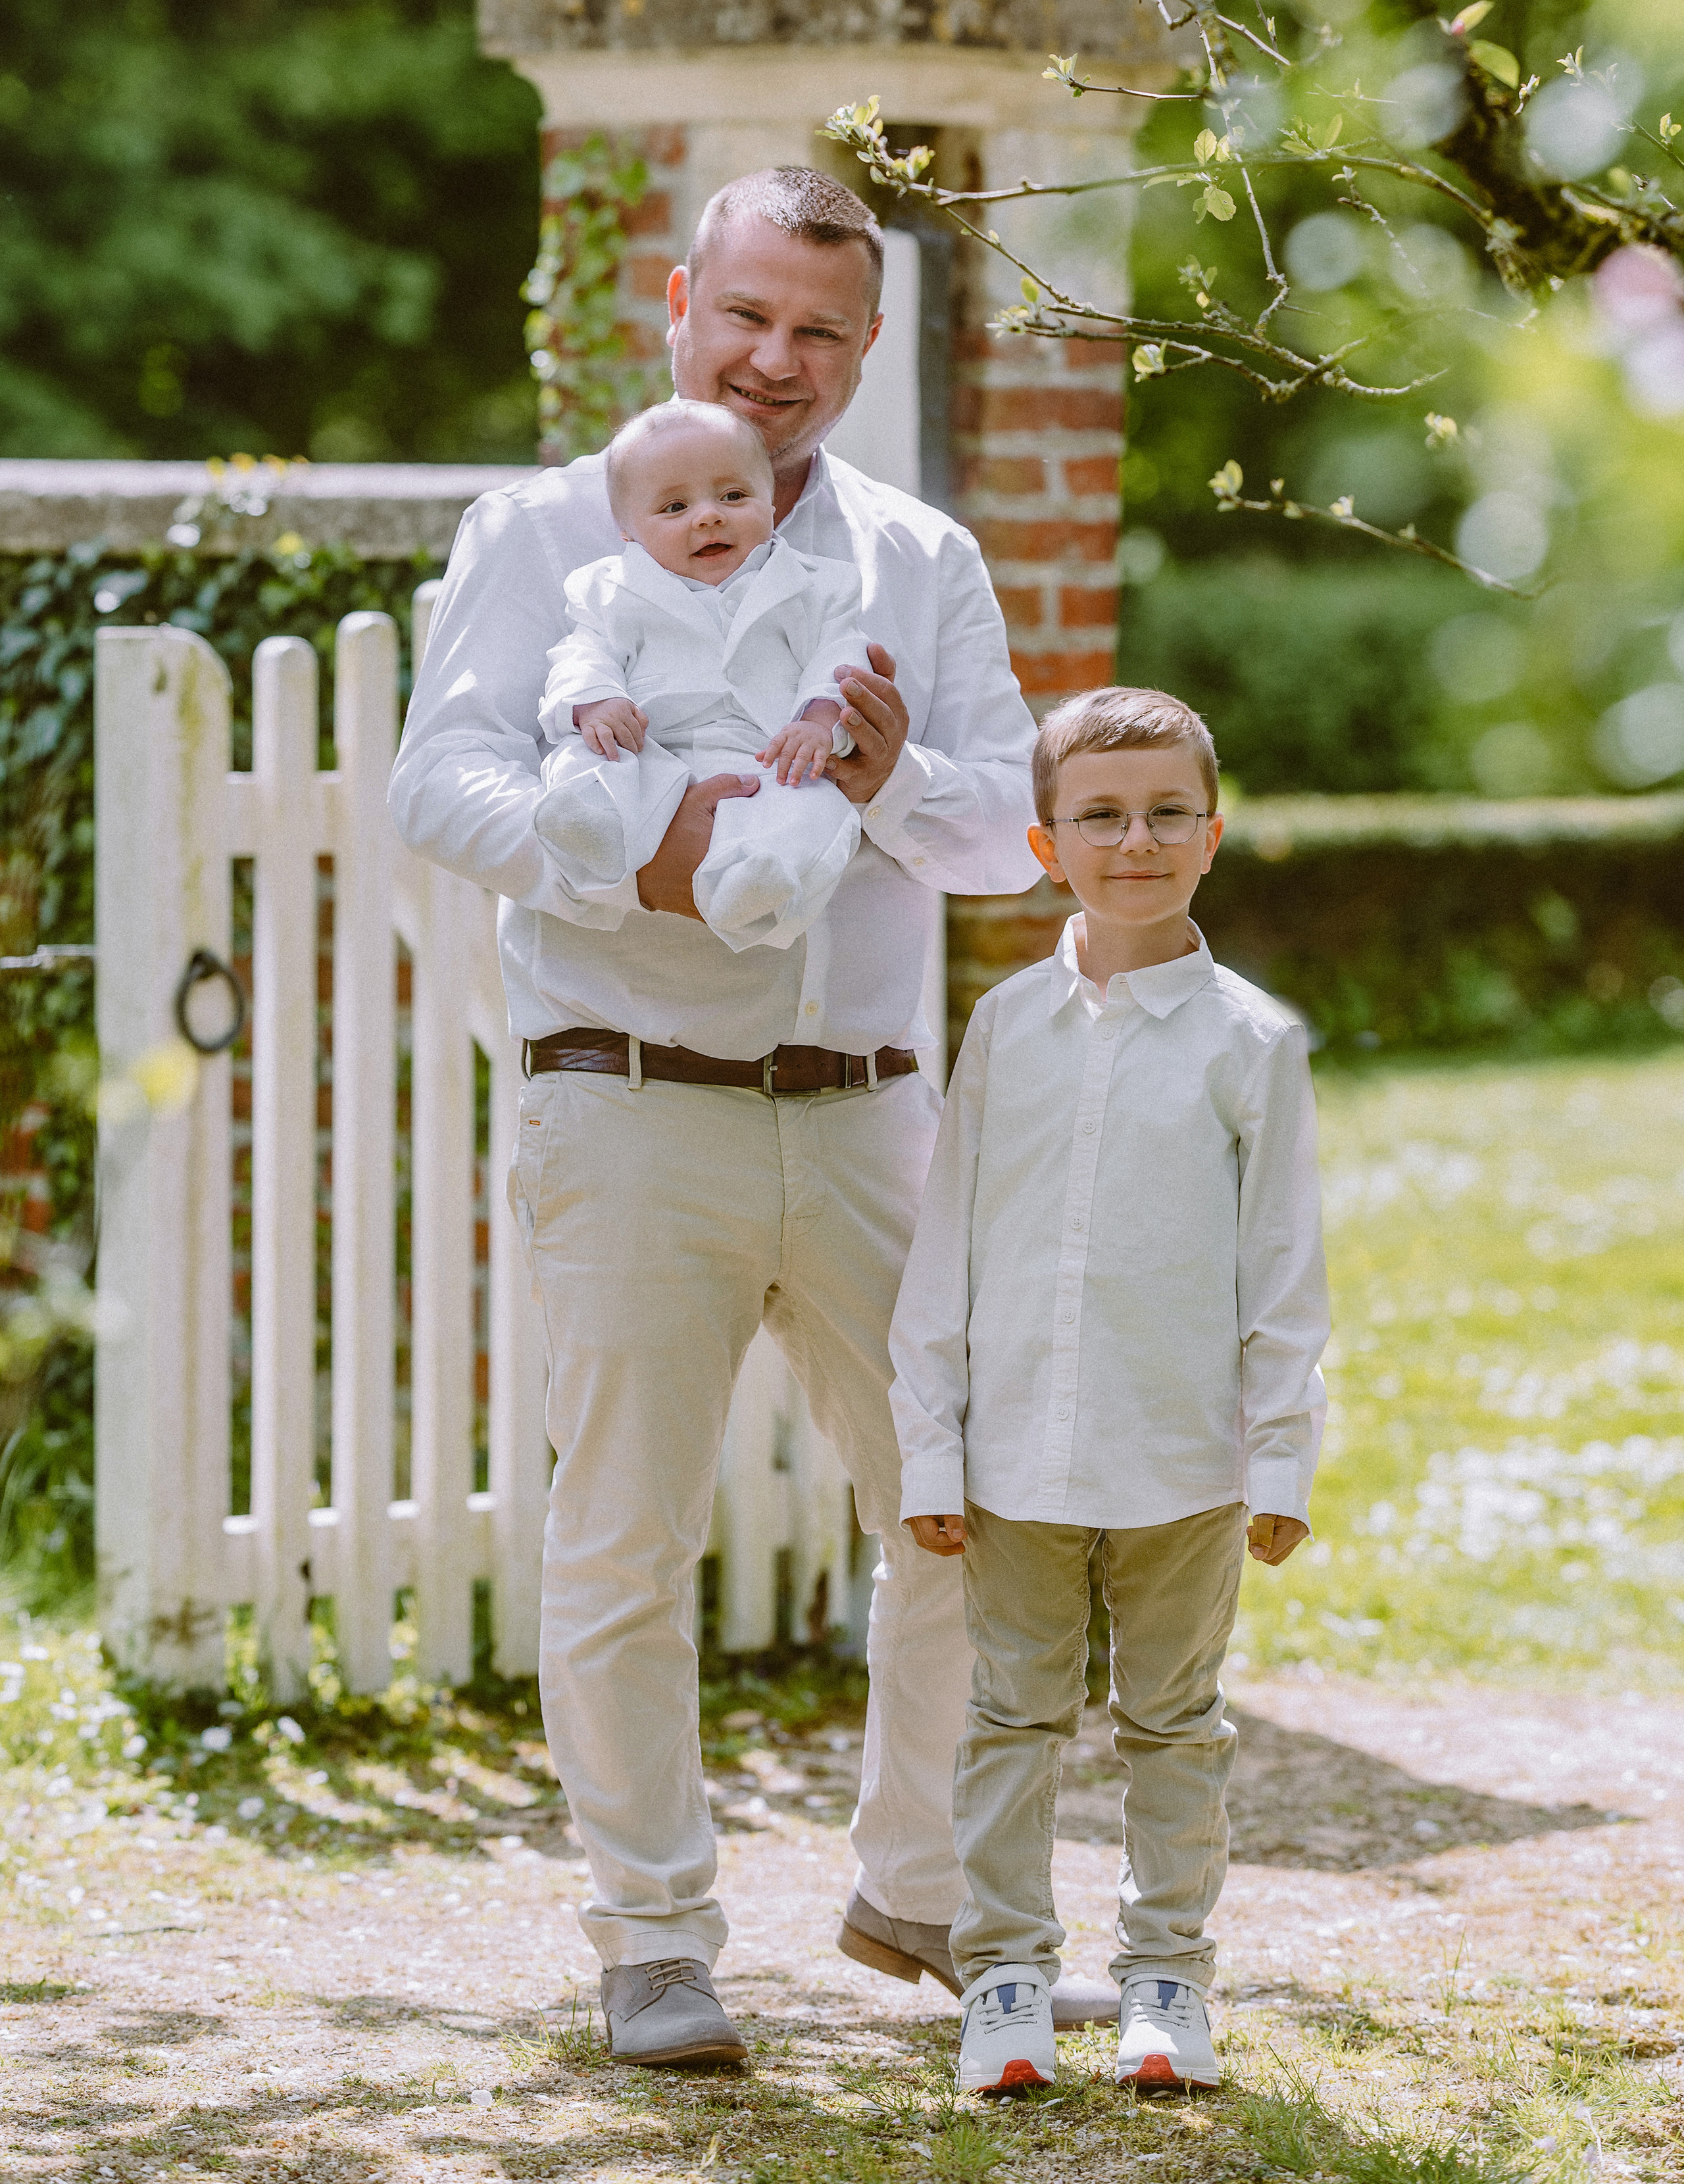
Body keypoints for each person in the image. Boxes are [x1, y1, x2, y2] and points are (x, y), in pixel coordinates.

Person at [389, 165, 1114, 2070]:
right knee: (624, 1535)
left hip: (876, 1112)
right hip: (626, 1104)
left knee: (965, 1512)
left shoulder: (918, 558)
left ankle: (922, 1891)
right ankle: (652, 1942)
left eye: (818, 333)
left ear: (866, 351)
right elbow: (439, 782)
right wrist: (639, 862)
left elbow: (1001, 838)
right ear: (680, 299)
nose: (776, 363)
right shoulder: (543, 531)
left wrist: (884, 778)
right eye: (747, 317)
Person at [887, 685, 1331, 2096]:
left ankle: (1165, 1986)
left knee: (1171, 1727)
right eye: (1099, 817)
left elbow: (1282, 1268)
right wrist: (929, 1449)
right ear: (1044, 840)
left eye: (1161, 816)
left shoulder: (1248, 1042)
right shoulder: (1001, 1028)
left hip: (1181, 1458)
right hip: (1012, 1454)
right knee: (1010, 1715)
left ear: (1210, 835)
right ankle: (1005, 1978)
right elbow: (945, 1247)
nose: (1130, 841)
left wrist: (1275, 1463)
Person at [533, 397, 870, 952]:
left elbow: (840, 655)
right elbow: (582, 653)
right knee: (586, 760)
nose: (709, 516)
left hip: (765, 754)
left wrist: (818, 719)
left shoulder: (818, 585)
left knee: (818, 808)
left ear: (771, 503)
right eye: (673, 508)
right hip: (646, 744)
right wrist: (595, 702)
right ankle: (591, 826)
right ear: (628, 532)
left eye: (734, 496)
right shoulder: (611, 588)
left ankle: (756, 879)